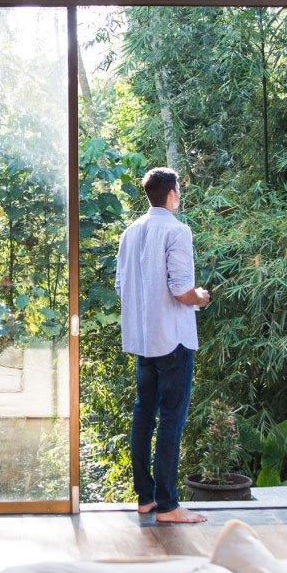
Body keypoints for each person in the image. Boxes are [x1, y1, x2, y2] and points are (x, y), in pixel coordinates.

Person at [115, 167, 210, 524]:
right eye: (179, 190)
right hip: (172, 339)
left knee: (144, 415)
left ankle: (146, 499)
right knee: (171, 418)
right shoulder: (177, 230)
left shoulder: (130, 232)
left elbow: (121, 286)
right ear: (171, 193)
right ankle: (168, 505)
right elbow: (182, 291)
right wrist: (202, 297)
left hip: (143, 340)